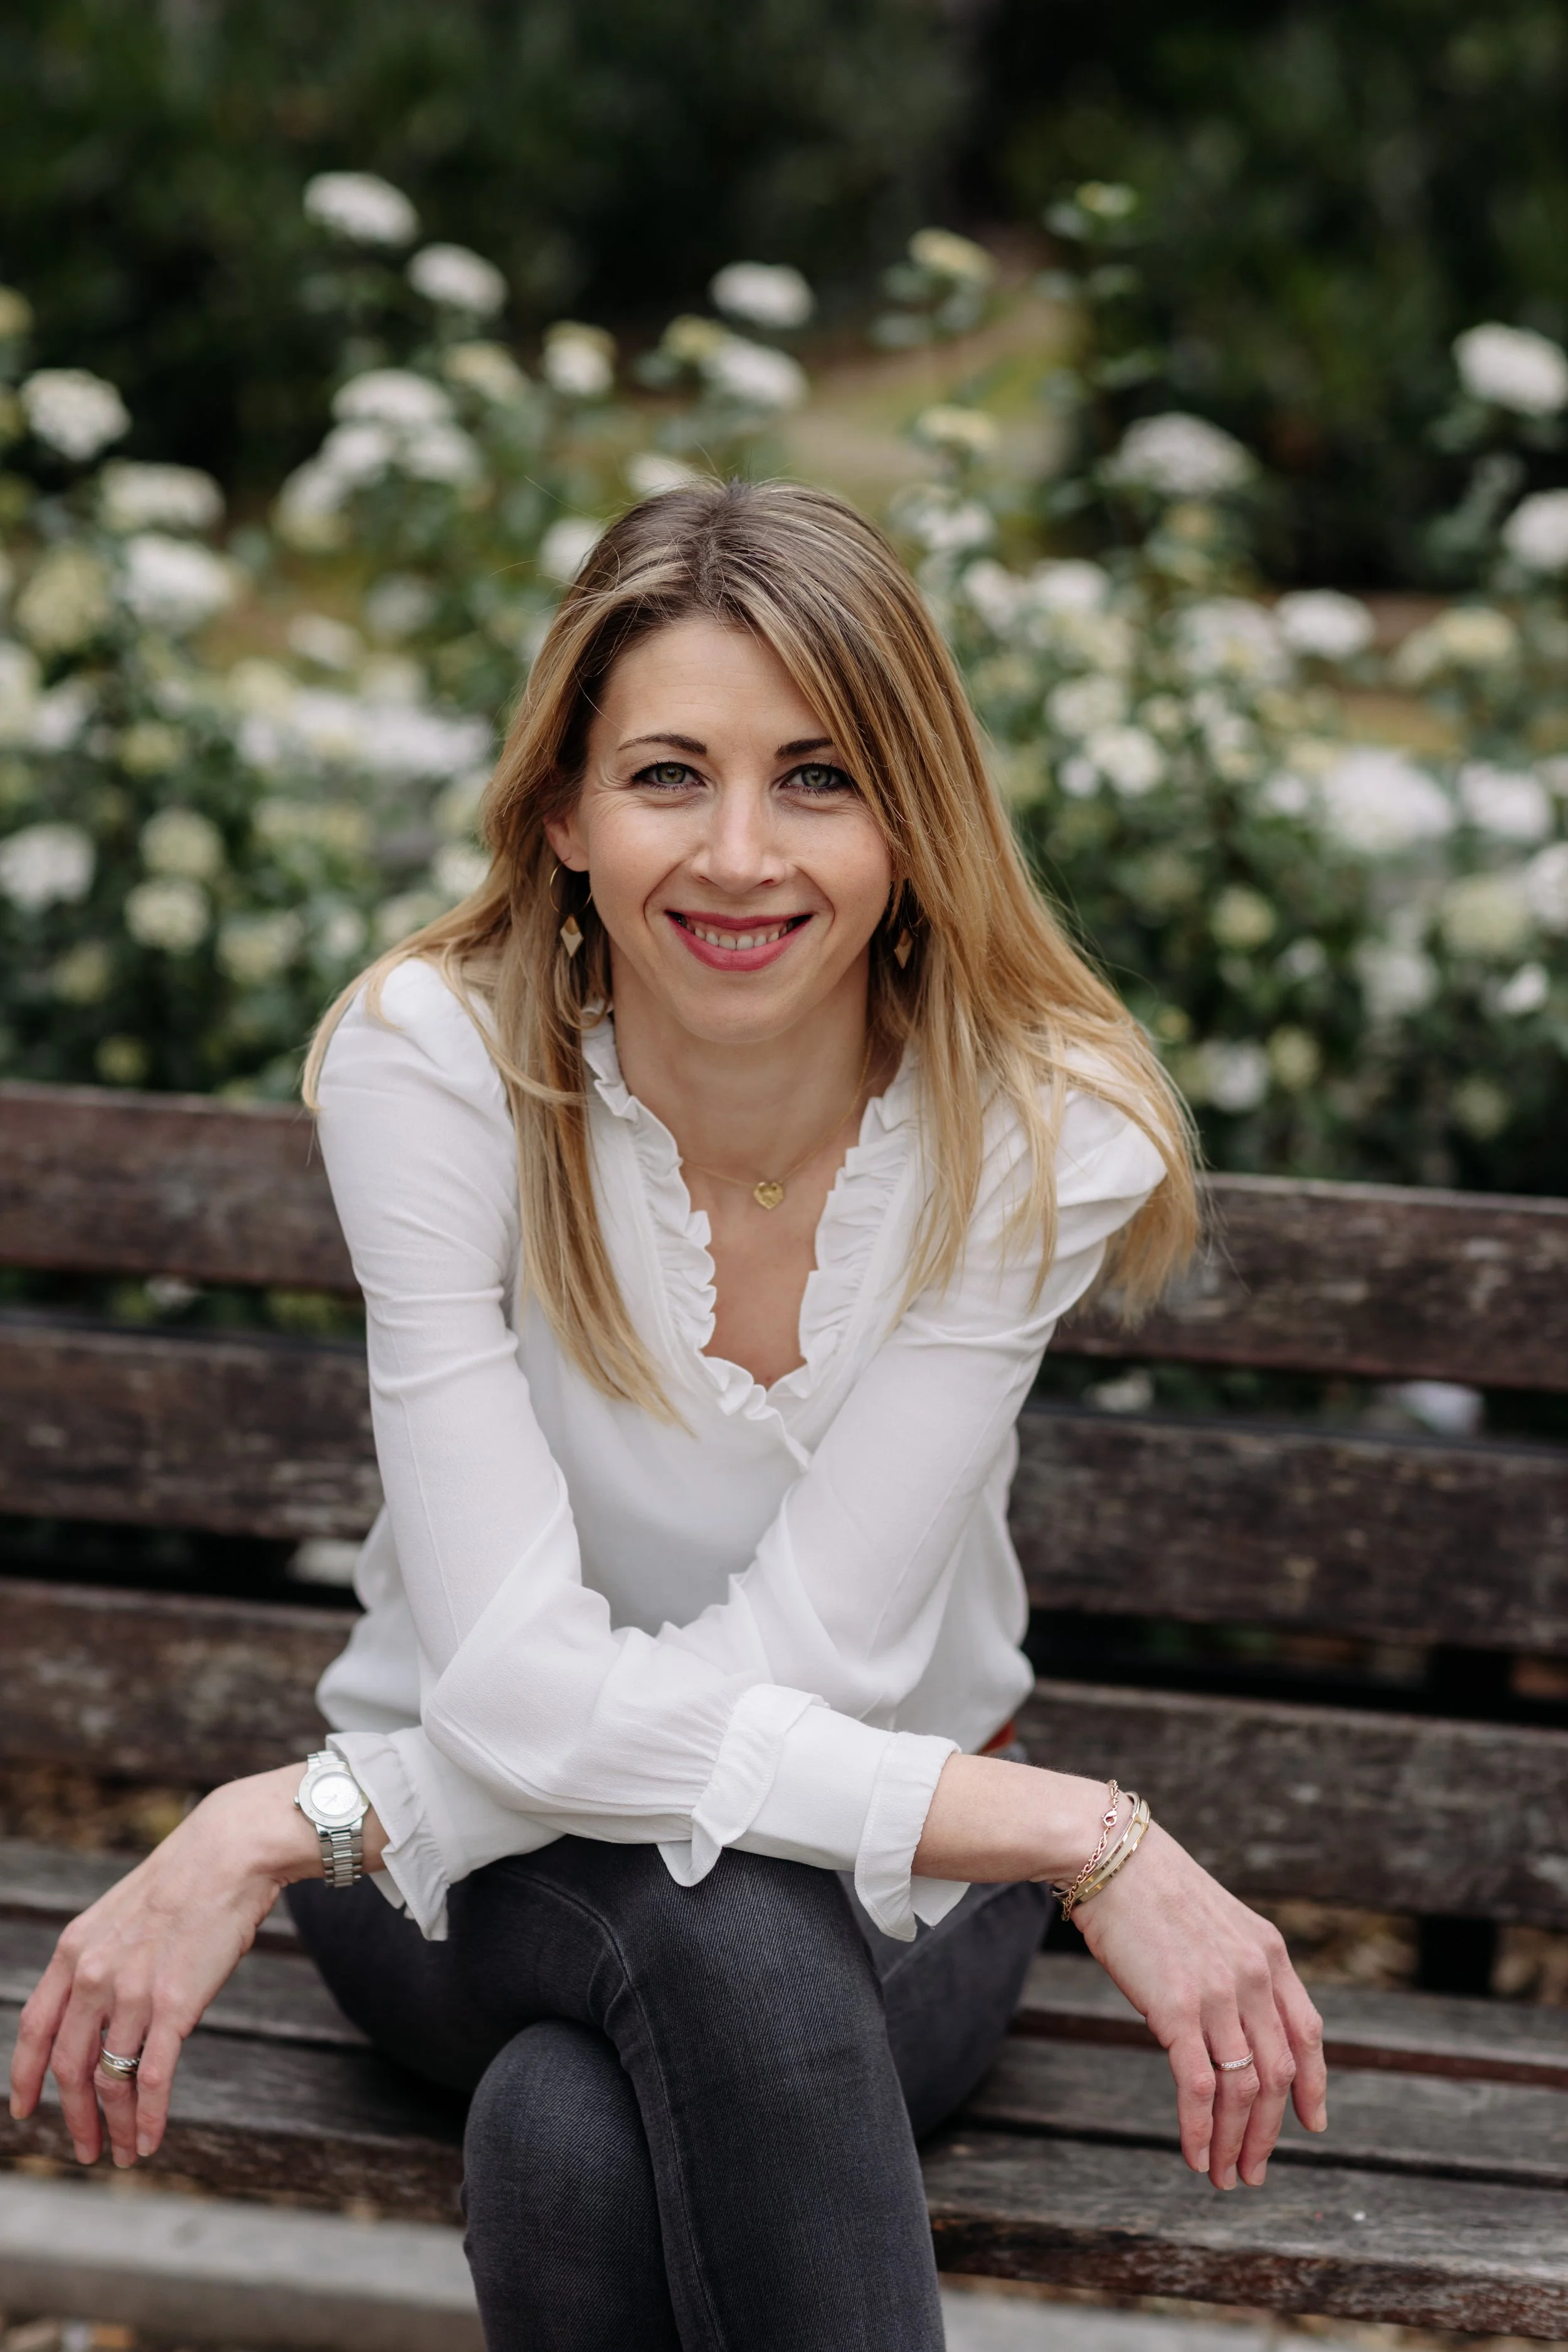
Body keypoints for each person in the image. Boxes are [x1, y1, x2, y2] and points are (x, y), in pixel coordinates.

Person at [9, 481, 1326, 2351]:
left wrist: (295, 1815)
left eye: (814, 776)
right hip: (469, 1891)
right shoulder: (437, 1062)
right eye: (663, 776)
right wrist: (1074, 1829)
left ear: (911, 814)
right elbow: (517, 1700)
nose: (734, 854)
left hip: (885, 1891)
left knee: (572, 2131)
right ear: (558, 808)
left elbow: (811, 1656)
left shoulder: (1041, 1125)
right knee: (726, 1927)